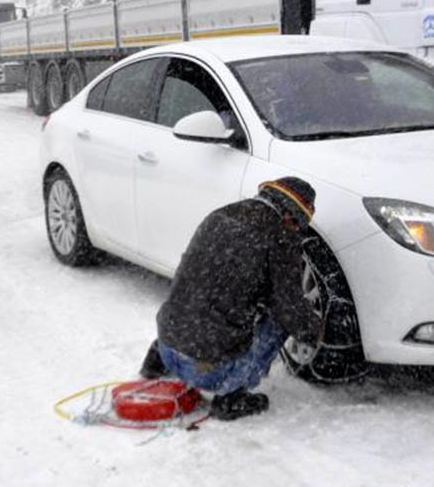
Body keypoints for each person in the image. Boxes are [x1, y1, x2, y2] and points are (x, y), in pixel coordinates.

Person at [139, 177, 325, 421]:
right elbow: (290, 311)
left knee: (197, 292)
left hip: (167, 347)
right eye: (298, 226)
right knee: (279, 321)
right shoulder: (281, 238)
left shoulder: (218, 216)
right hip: (208, 371)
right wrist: (319, 333)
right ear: (291, 217)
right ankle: (231, 396)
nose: (296, 232)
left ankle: (155, 363)